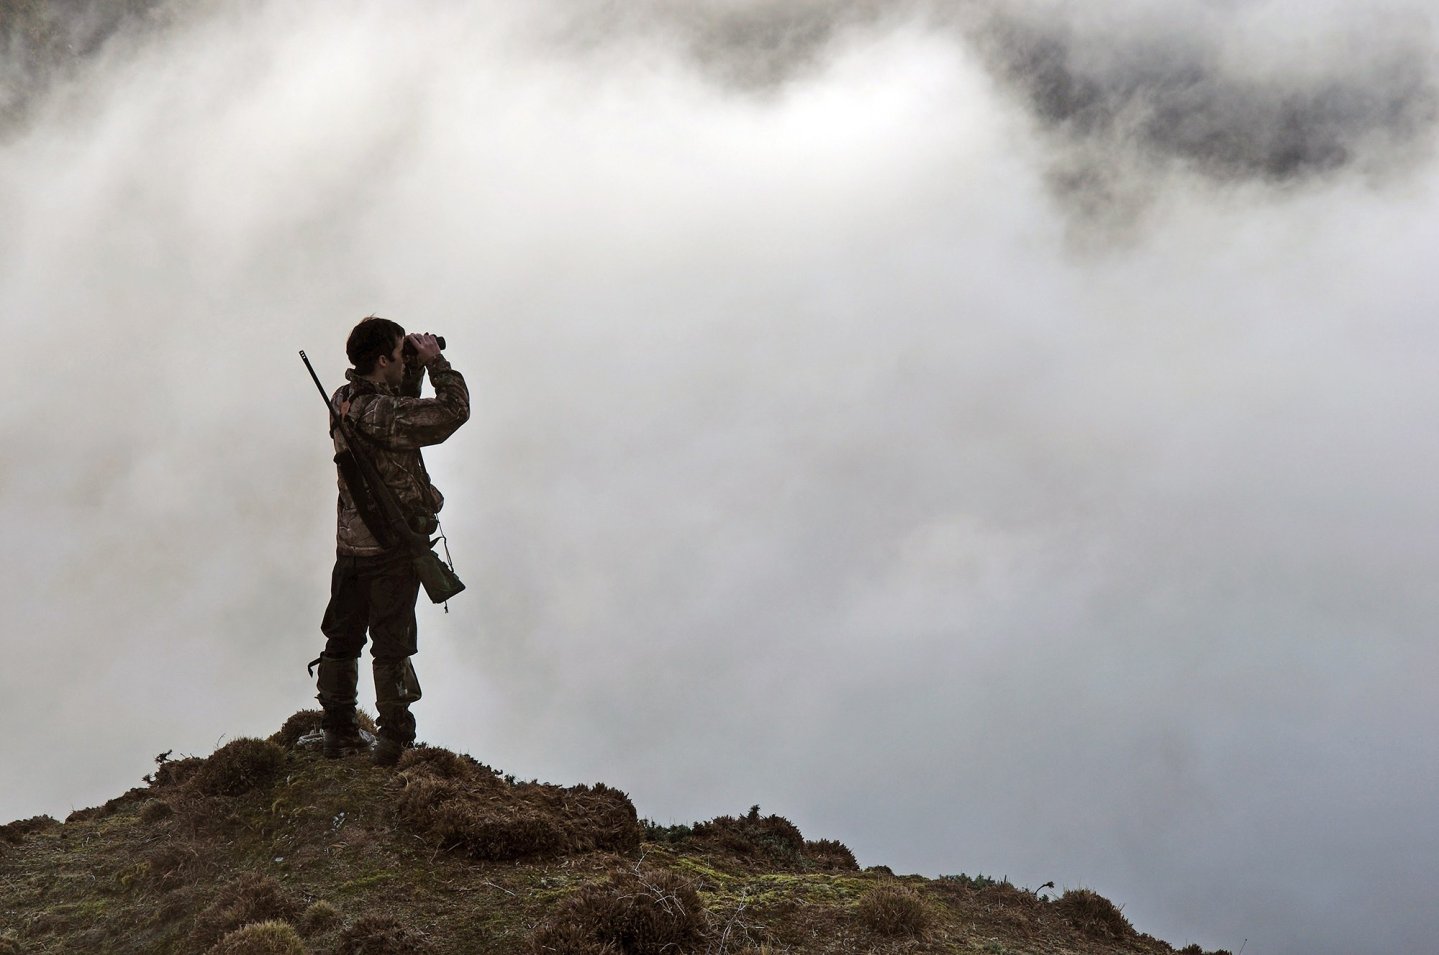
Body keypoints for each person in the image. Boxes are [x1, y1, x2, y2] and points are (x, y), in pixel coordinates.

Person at [311, 316, 470, 766]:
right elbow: (449, 414)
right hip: (391, 549)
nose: (409, 356)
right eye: (402, 352)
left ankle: (338, 732)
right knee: (392, 645)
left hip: (352, 545)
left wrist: (411, 367)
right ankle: (394, 740)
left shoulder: (344, 399)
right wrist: (438, 365)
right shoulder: (383, 413)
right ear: (383, 360)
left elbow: (395, 411)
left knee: (342, 638)